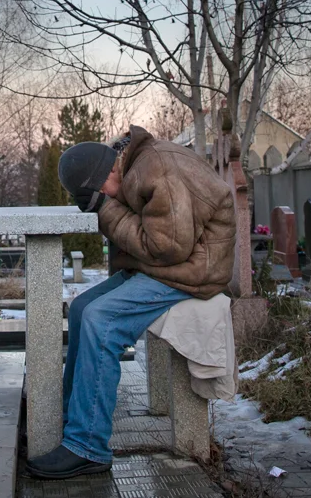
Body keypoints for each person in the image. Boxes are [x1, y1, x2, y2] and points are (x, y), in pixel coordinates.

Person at [25, 125, 235, 480]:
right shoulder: (135, 165)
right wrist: (105, 204)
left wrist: (106, 209)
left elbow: (168, 246)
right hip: (168, 266)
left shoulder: (156, 170)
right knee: (81, 309)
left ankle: (87, 447)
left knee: (101, 320)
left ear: (109, 171)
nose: (105, 198)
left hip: (193, 269)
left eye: (99, 192)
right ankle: (70, 418)